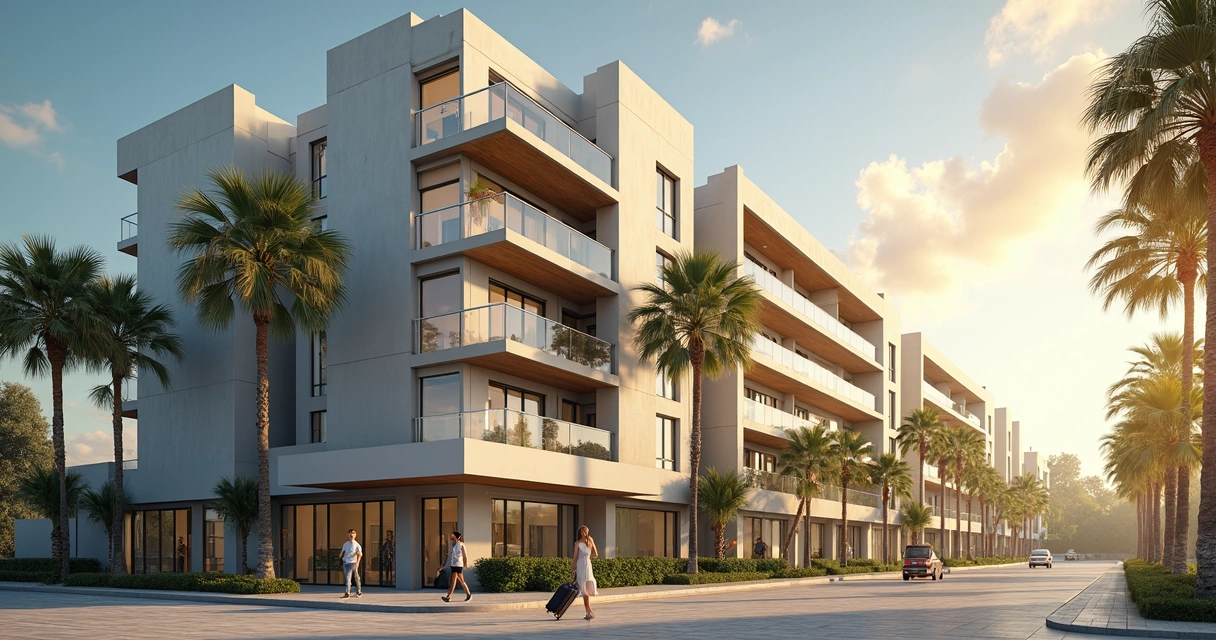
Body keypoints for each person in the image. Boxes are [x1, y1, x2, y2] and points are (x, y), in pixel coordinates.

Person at [572, 525, 598, 621]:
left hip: (587, 564)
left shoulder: (590, 540)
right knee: (583, 588)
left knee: (585, 587)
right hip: (581, 564)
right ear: (580, 533)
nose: (584, 533)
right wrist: (573, 567)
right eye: (582, 532)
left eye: (585, 531)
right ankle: (588, 611)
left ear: (587, 532)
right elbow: (575, 557)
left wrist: (590, 555)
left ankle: (588, 611)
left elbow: (596, 553)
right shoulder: (577, 543)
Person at [442, 531, 471, 602]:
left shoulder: (461, 545)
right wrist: (444, 565)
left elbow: (465, 555)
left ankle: (449, 596)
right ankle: (467, 594)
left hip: (459, 564)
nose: (452, 537)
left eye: (453, 536)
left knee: (456, 580)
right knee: (458, 580)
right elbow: (449, 555)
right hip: (453, 564)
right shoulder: (452, 545)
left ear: (457, 537)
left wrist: (465, 563)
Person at [340, 529, 363, 598]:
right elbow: (342, 553)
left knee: (356, 578)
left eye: (353, 533)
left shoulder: (357, 545)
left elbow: (359, 555)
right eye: (350, 533)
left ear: (355, 535)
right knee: (347, 578)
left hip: (353, 563)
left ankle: (359, 591)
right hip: (346, 563)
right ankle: (347, 593)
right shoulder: (346, 544)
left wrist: (357, 563)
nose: (351, 535)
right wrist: (341, 558)